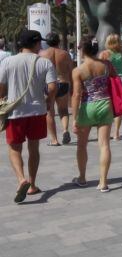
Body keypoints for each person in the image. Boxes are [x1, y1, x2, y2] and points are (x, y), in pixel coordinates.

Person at [0, 29, 57, 203]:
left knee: (14, 148)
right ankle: (32, 184)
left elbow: (1, 85)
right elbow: (53, 87)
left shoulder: (8, 62)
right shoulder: (44, 63)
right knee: (34, 149)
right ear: (35, 43)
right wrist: (48, 101)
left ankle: (21, 179)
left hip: (15, 111)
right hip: (37, 111)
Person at [72, 37, 116, 192]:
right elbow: (116, 79)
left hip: (87, 107)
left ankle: (82, 178)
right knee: (104, 145)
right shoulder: (107, 65)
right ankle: (103, 182)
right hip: (105, 104)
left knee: (82, 145)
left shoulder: (78, 70)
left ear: (82, 50)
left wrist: (74, 117)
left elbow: (76, 95)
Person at [38, 33, 75, 146]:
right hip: (63, 83)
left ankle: (54, 140)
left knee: (49, 112)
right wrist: (73, 86)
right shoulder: (65, 54)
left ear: (47, 42)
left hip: (49, 84)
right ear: (58, 41)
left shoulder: (42, 54)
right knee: (63, 110)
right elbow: (71, 71)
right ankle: (65, 130)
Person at [99, 34, 122, 141]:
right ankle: (116, 133)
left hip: (109, 81)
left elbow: (100, 69)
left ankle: (105, 132)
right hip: (121, 80)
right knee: (118, 108)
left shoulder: (104, 54)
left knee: (107, 107)